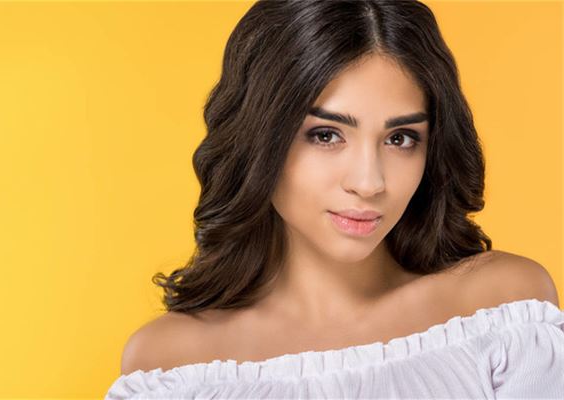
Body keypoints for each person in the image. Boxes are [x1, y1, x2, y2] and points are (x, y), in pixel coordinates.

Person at [105, 0, 563, 398]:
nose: (369, 182)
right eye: (326, 135)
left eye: (400, 138)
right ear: (260, 137)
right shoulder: (172, 368)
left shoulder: (504, 312)